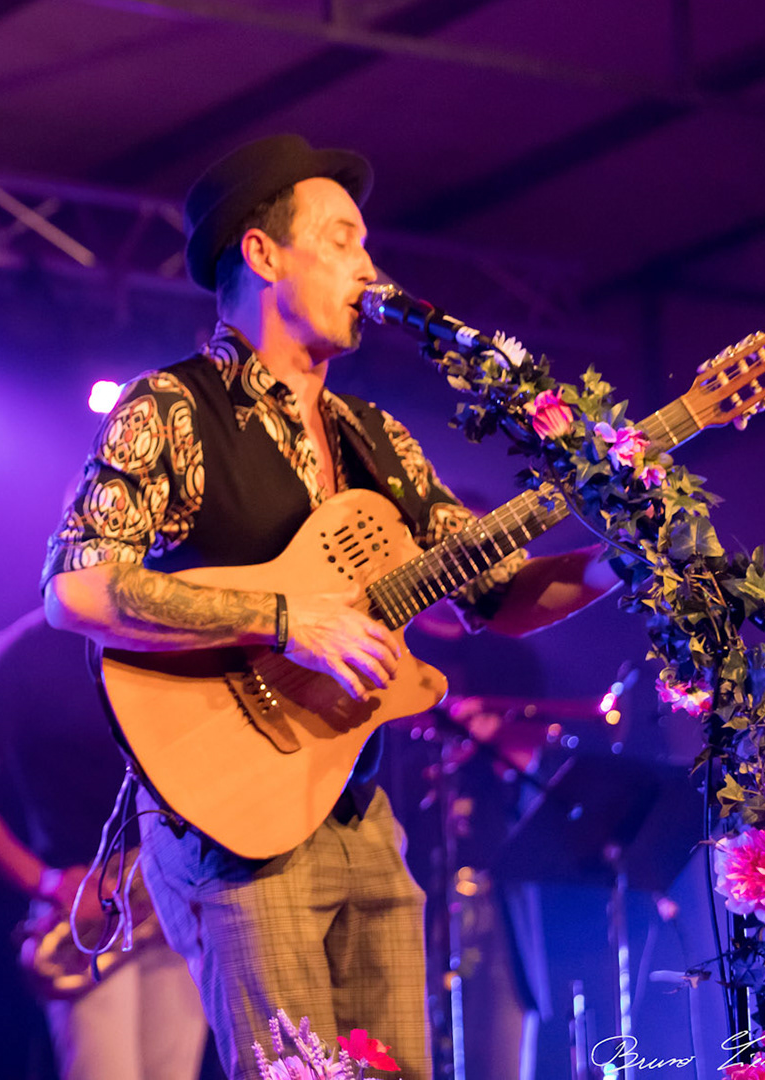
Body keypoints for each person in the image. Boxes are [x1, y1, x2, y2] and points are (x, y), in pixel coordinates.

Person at [39, 134, 621, 1080]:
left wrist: (613, 566)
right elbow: (76, 587)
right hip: (232, 817)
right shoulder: (172, 409)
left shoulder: (376, 437)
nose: (369, 264)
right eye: (343, 239)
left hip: (357, 805)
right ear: (263, 254)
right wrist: (284, 619)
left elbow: (494, 593)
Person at [0, 607, 211, 1080]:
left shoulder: (166, 634)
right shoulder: (23, 653)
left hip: (177, 893)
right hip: (85, 914)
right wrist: (46, 882)